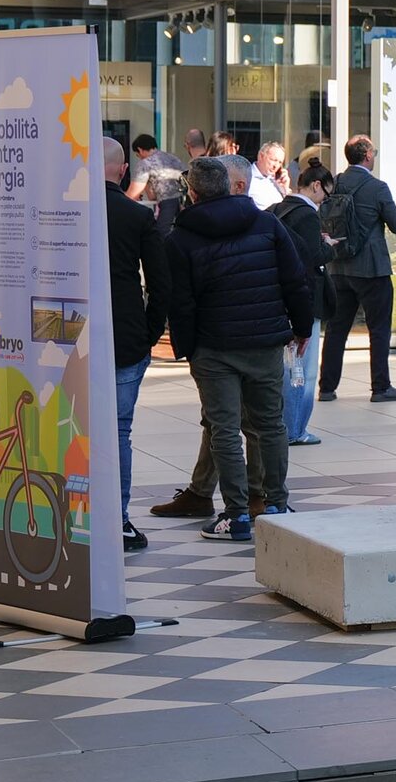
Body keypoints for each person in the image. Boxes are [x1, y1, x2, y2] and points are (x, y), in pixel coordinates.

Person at [165, 157, 314, 542]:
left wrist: (188, 349)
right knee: (270, 425)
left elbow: (180, 302)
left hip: (213, 349)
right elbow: (294, 280)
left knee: (224, 430)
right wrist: (300, 328)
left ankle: (236, 517)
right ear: (231, 186)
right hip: (265, 341)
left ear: (193, 193)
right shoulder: (266, 223)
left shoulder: (180, 237)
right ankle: (277, 504)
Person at [102, 138, 169, 553]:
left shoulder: (61, 211)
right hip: (125, 337)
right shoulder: (136, 216)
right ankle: (119, 520)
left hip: (65, 338)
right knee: (118, 431)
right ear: (124, 170)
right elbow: (161, 285)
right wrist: (148, 334)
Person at [316, 134, 396, 403]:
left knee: (336, 330)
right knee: (379, 329)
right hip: (372, 269)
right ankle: (381, 387)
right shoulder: (378, 188)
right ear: (367, 156)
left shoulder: (334, 184)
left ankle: (326, 388)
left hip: (339, 266)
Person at [274, 159, 332, 446]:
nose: (325, 201)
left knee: (286, 369)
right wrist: (328, 248)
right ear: (316, 186)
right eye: (326, 195)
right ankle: (295, 429)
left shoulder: (279, 208)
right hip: (304, 302)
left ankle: (285, 427)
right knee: (303, 373)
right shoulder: (307, 215)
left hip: (280, 300)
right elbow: (311, 259)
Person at [126, 133, 189, 233]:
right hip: (185, 203)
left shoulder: (145, 163)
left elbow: (132, 194)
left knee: (160, 237)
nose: (139, 158)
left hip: (167, 204)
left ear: (140, 149)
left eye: (138, 155)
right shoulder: (172, 158)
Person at [248, 142, 288, 208]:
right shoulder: (246, 177)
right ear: (261, 156)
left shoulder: (277, 182)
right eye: (273, 160)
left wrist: (285, 189)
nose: (276, 166)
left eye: (280, 162)